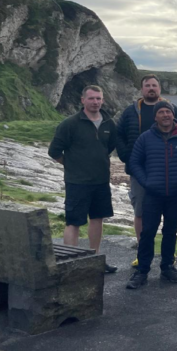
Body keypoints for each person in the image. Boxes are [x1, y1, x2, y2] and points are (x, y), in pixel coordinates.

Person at [116, 74, 177, 267]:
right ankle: (143, 253)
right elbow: (118, 134)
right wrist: (127, 156)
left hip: (168, 172)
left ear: (159, 89)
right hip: (139, 172)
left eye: (154, 85)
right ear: (142, 89)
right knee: (140, 212)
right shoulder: (131, 111)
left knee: (171, 220)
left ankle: (168, 256)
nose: (151, 88)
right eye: (147, 85)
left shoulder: (172, 110)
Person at [126, 102, 177, 289]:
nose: (165, 115)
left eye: (168, 112)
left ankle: (167, 267)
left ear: (173, 115)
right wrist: (146, 181)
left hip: (175, 193)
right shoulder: (145, 138)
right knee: (148, 231)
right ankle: (142, 271)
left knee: (171, 231)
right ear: (155, 117)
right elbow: (134, 163)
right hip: (152, 194)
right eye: (161, 112)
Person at [48, 85, 118, 273]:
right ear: (83, 100)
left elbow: (109, 147)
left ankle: (95, 260)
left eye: (98, 98)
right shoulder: (69, 124)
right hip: (77, 183)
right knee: (74, 222)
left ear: (102, 100)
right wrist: (72, 165)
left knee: (97, 219)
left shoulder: (109, 124)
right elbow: (53, 151)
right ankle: (69, 263)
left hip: (101, 182)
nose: (95, 102)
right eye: (91, 98)